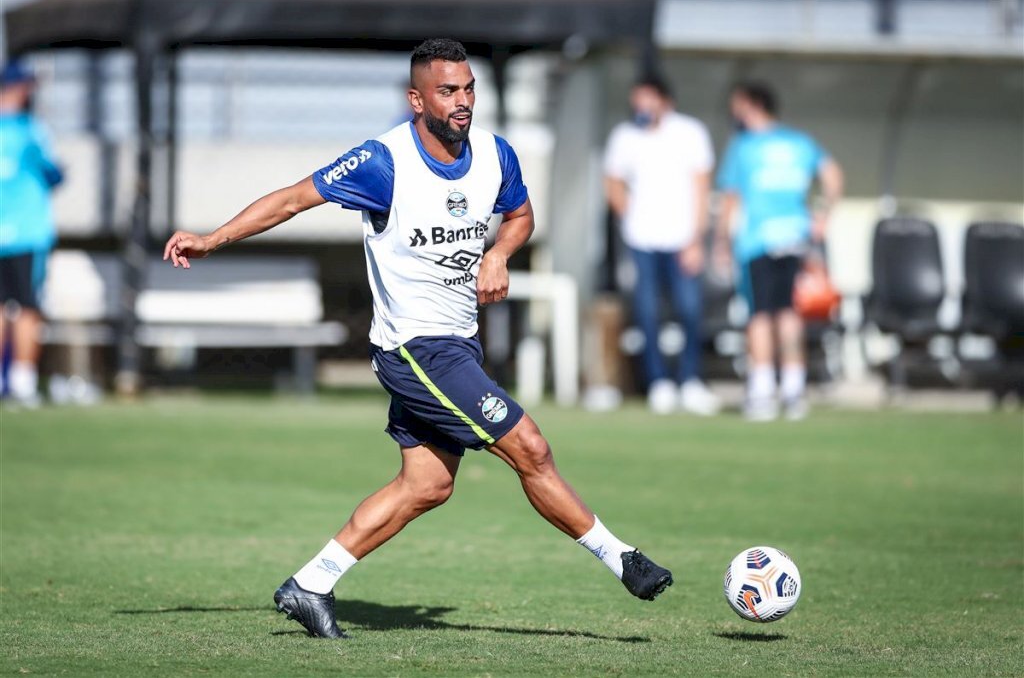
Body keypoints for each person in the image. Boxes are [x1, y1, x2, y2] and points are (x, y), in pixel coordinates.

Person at [163, 39, 672, 640]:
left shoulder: (494, 154)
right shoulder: (384, 162)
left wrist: (500, 255)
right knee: (529, 446)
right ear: (416, 99)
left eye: (469, 89)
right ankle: (622, 558)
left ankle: (310, 584)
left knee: (426, 485)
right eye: (447, 91)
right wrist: (211, 239)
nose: (462, 102)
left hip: (458, 344)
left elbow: (521, 216)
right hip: (414, 348)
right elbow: (293, 199)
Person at [716, 81, 843, 421]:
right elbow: (832, 176)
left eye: (738, 105)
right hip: (794, 237)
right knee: (788, 313)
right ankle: (793, 389)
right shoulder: (799, 143)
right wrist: (822, 214)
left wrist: (721, 242)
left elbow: (731, 198)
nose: (734, 112)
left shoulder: (743, 146)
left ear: (753, 105)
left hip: (757, 239)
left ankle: (761, 392)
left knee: (759, 315)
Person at [603, 75, 721, 416]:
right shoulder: (625, 136)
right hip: (642, 240)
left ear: (665, 101)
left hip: (682, 238)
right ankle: (658, 382)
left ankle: (691, 380)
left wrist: (697, 238)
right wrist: (630, 215)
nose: (642, 107)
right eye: (637, 99)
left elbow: (701, 187)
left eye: (648, 99)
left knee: (690, 310)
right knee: (647, 312)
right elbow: (612, 181)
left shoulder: (690, 133)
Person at [0, 59, 63, 407]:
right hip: (26, 231)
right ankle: (23, 382)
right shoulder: (30, 130)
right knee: (26, 307)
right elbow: (54, 173)